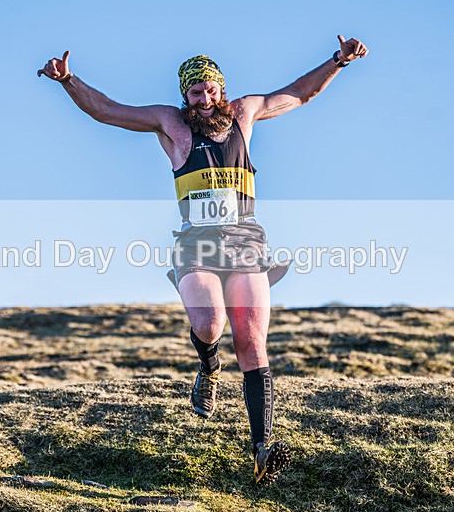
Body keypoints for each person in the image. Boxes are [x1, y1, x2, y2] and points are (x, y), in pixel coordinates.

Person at [39, 35, 368, 485]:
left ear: (222, 90)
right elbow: (109, 111)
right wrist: (69, 81)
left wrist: (338, 62)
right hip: (197, 245)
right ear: (185, 97)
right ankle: (209, 369)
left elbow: (297, 93)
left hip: (246, 243)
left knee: (251, 341)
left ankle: (263, 449)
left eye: (212, 89)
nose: (206, 98)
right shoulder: (170, 125)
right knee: (210, 325)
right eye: (196, 92)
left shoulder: (246, 114)